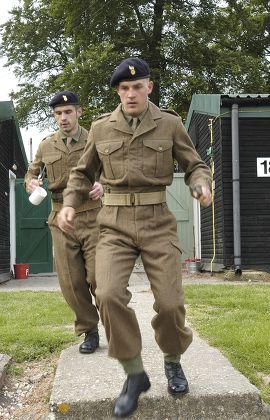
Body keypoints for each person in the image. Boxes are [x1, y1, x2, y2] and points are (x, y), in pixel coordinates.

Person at [58, 59, 212, 418]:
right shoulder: (101, 128)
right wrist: (69, 204)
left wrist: (200, 185)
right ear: (117, 92)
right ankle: (134, 373)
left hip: (158, 221)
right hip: (112, 223)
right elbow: (82, 174)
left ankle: (172, 360)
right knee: (108, 294)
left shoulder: (169, 124)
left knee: (171, 303)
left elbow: (194, 164)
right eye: (124, 89)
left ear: (149, 87)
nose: (130, 94)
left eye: (137, 86)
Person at [24, 91, 103, 354]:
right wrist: (31, 182)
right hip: (60, 219)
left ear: (79, 112)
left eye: (68, 112)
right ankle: (89, 330)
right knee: (71, 281)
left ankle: (114, 322)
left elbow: (114, 169)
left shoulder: (95, 137)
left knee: (99, 277)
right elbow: (31, 172)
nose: (63, 118)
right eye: (58, 113)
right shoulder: (47, 145)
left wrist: (104, 184)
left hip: (93, 215)